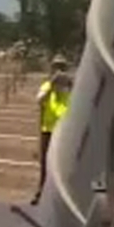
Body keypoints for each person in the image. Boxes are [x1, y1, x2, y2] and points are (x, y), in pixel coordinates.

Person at [33, 55, 72, 204]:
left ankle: (61, 196)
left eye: (62, 67)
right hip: (48, 130)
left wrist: (70, 85)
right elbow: (39, 100)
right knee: (45, 163)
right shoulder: (46, 86)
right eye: (56, 67)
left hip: (65, 132)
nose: (59, 71)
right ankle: (41, 192)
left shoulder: (69, 89)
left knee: (64, 164)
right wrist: (51, 85)